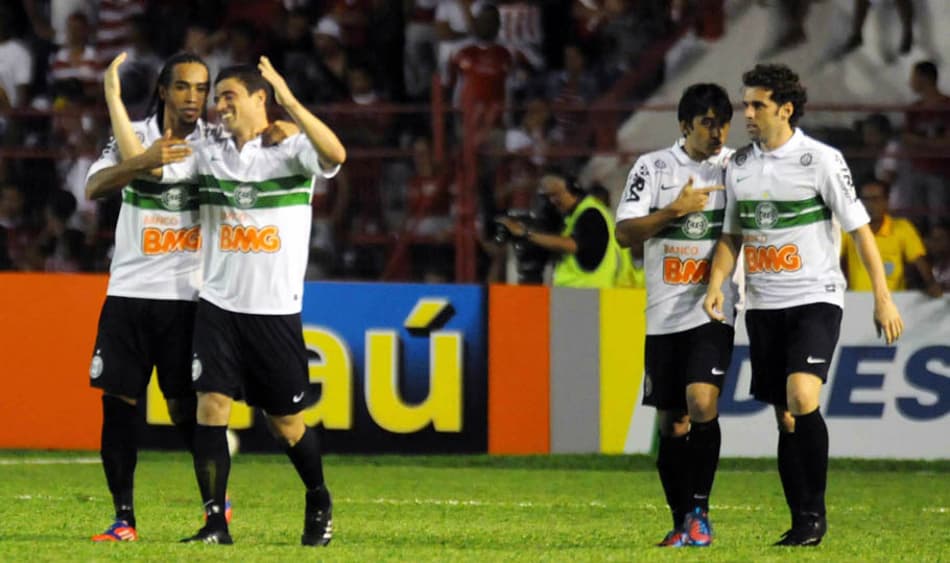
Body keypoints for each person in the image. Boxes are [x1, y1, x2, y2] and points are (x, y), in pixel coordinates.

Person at [104, 56, 346, 546]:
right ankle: (216, 524)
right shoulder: (207, 153)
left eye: (228, 95)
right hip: (216, 306)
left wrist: (292, 104)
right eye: (218, 98)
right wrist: (114, 100)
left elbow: (336, 154)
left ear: (261, 99)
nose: (218, 105)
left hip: (274, 310)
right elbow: (145, 167)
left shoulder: (292, 149)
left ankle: (318, 497)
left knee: (287, 425)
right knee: (210, 406)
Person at [704, 63, 904, 547]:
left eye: (758, 105)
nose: (747, 113)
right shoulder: (740, 167)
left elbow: (860, 232)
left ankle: (815, 517)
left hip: (816, 297)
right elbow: (733, 234)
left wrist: (882, 297)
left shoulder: (821, 160)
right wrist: (717, 282)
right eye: (745, 103)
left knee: (800, 396)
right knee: (786, 416)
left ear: (785, 109)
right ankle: (800, 521)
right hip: (764, 304)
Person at [83, 51, 212, 542]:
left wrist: (114, 102)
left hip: (187, 296)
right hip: (128, 291)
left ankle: (214, 503)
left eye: (202, 89)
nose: (193, 98)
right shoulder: (131, 135)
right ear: (163, 90)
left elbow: (158, 175)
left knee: (183, 408)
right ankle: (124, 519)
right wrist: (137, 159)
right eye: (183, 87)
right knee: (117, 404)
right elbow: (94, 185)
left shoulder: (213, 146)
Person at [614, 83, 735, 547]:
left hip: (712, 307)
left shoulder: (735, 169)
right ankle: (681, 519)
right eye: (707, 121)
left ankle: (701, 512)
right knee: (673, 423)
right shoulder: (653, 167)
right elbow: (625, 234)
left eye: (722, 121)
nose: (717, 130)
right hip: (662, 313)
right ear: (685, 125)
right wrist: (675, 210)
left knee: (702, 403)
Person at [496, 170, 620, 288]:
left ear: (572, 190)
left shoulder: (592, 213)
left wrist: (526, 233)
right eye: (548, 196)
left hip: (587, 293)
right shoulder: (570, 216)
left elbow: (572, 245)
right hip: (574, 293)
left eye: (556, 194)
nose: (552, 201)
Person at [841, 179, 943, 297]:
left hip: (894, 302)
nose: (870, 205)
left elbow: (919, 260)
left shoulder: (902, 228)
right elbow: (831, 257)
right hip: (860, 301)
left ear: (886, 201)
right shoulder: (849, 230)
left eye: (876, 199)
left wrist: (931, 283)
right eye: (866, 199)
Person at [901, 61, 950, 230]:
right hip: (917, 169)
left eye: (913, 77)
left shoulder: (946, 106)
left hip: (941, 172)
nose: (910, 81)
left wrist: (920, 142)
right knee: (915, 219)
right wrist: (934, 143)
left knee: (938, 219)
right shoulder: (914, 109)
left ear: (924, 78)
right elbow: (907, 140)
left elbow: (947, 143)